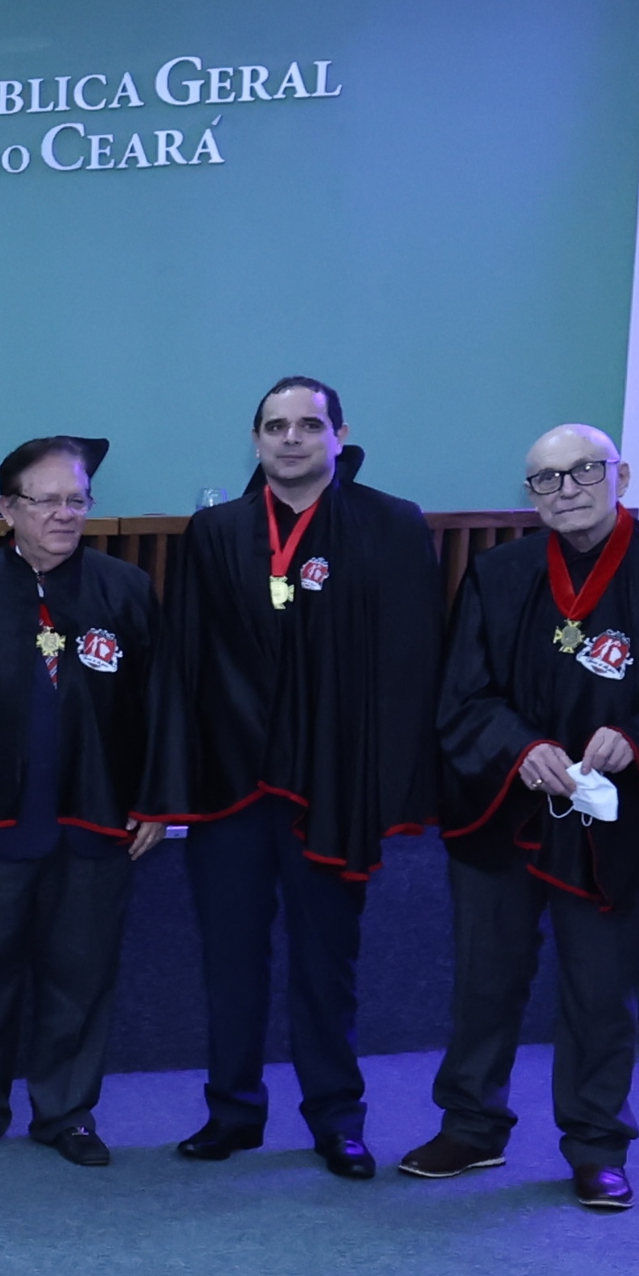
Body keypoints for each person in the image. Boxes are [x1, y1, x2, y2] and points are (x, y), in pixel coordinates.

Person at [403, 425, 639, 1213]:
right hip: (508, 808)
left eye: (583, 471)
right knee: (485, 980)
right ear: (529, 494)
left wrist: (638, 739)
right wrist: (519, 744)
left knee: (602, 990)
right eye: (545, 479)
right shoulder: (498, 575)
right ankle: (471, 1125)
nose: (565, 490)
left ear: (620, 473)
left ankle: (597, 1143)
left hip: (621, 819)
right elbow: (463, 696)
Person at [141, 376, 443, 1180]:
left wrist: (384, 783)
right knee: (230, 959)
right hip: (232, 786)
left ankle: (337, 1119)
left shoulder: (391, 525)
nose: (291, 439)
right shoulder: (214, 532)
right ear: (256, 439)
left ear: (340, 435)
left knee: (325, 961)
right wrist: (176, 782)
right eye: (275, 426)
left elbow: (411, 667)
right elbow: (185, 663)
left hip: (331, 786)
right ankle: (232, 1112)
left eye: (309, 425)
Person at [0, 438, 162, 1165]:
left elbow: (160, 708)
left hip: (96, 821)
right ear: (8, 508)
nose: (65, 514)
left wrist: (156, 802)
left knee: (81, 974)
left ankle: (67, 1111)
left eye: (77, 499)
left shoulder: (126, 590)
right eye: (47, 500)